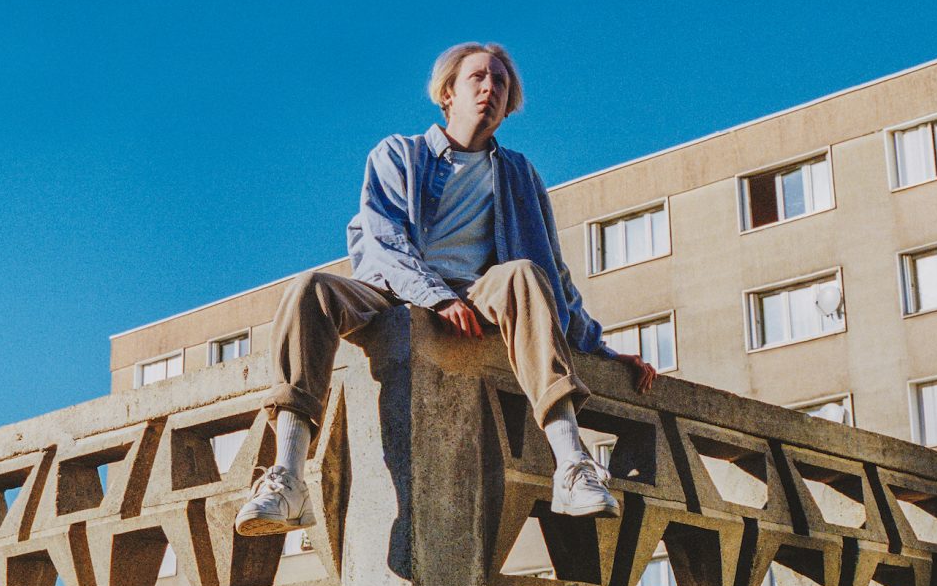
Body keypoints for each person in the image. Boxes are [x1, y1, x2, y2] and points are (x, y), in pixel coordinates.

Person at [235, 42, 656, 536]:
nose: (490, 88)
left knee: (524, 271)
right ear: (448, 93)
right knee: (309, 289)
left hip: (480, 294)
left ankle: (572, 465)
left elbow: (553, 274)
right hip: (392, 289)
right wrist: (435, 295)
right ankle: (287, 478)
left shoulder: (519, 174)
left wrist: (602, 350)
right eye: (478, 77)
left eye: (500, 82)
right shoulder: (398, 154)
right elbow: (384, 242)